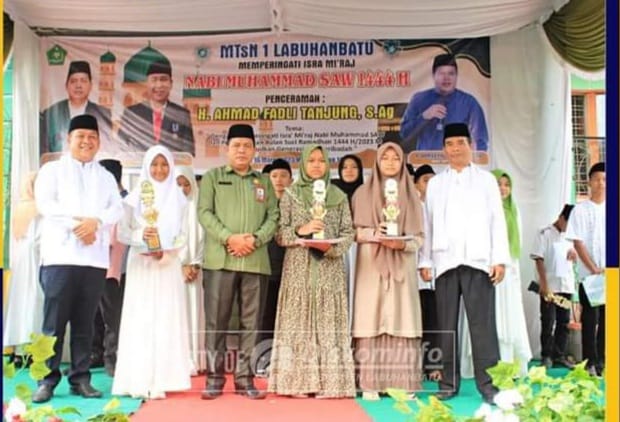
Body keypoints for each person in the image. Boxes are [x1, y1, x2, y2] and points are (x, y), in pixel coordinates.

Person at [32, 114, 123, 403]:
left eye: (92, 137)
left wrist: (96, 223)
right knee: (52, 324)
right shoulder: (52, 171)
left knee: (85, 324)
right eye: (80, 136)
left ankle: (81, 379)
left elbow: (116, 208)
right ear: (68, 139)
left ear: (99, 142)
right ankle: (45, 380)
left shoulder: (105, 177)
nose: (86, 141)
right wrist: (78, 226)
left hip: (93, 261)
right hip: (59, 257)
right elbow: (45, 204)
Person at [418, 123, 509, 404]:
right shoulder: (436, 184)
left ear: (471, 146)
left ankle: (489, 386)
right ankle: (447, 383)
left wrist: (499, 259)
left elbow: (497, 220)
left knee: (483, 327)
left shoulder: (486, 181)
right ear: (443, 149)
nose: (455, 148)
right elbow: (428, 223)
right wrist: (425, 259)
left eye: (460, 142)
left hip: (478, 261)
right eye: (449, 144)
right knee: (446, 327)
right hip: (445, 262)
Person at [198, 124, 279, 400]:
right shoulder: (213, 177)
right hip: (220, 261)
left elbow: (273, 216)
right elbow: (204, 213)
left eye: (247, 145)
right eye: (236, 145)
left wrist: (255, 239)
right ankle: (214, 379)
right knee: (216, 323)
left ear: (254, 150)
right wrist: (229, 238)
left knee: (251, 324)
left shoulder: (263, 181)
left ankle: (245, 379)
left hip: (255, 262)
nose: (241, 150)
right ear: (227, 149)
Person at [268, 144, 356, 398]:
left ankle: (331, 384)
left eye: (321, 161)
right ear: (304, 164)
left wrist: (332, 249)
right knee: (298, 321)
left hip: (329, 269)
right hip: (298, 268)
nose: (317, 165)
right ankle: (296, 383)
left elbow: (348, 233)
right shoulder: (291, 194)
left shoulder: (338, 196)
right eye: (311, 161)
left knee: (328, 322)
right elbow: (279, 233)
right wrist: (301, 231)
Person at [112, 146, 191, 399]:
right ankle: (138, 377)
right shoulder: (133, 199)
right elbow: (123, 232)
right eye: (154, 164)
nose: (159, 170)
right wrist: (141, 237)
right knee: (142, 316)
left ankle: (166, 378)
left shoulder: (180, 199)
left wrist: (166, 252)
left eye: (164, 164)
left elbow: (184, 234)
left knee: (166, 317)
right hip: (141, 264)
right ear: (146, 166)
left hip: (167, 265)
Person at [351, 141, 425, 400]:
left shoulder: (412, 196)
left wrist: (401, 244)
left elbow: (419, 238)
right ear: (377, 162)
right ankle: (370, 383)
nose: (391, 163)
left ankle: (402, 383)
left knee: (402, 317)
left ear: (402, 163)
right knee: (370, 317)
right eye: (386, 158)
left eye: (396, 158)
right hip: (371, 266)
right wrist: (375, 233)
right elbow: (353, 233)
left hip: (401, 265)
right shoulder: (362, 193)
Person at [460, 169, 532, 378]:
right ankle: (483, 364)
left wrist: (509, 269)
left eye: (506, 185)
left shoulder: (514, 211)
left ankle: (507, 364)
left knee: (507, 316)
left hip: (507, 273)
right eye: (498, 184)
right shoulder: (479, 210)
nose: (503, 189)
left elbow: (516, 248)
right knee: (485, 315)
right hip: (484, 271)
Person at [399, 54, 489, 153]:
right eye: (441, 73)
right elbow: (404, 133)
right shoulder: (419, 99)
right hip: (426, 160)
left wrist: (471, 153)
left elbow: (481, 141)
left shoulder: (469, 103)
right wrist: (424, 116)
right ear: (433, 75)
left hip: (457, 159)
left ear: (456, 76)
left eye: (451, 73)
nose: (446, 78)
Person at [90, 159, 129, 376]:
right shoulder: (99, 202)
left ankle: (111, 359)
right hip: (94, 265)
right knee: (93, 314)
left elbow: (120, 238)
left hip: (116, 268)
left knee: (112, 315)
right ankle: (94, 354)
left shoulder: (126, 203)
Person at [566, 162, 606, 377]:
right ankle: (590, 361)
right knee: (590, 319)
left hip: (611, 274)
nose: (601, 183)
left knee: (609, 319)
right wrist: (593, 268)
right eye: (597, 179)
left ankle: (604, 361)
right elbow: (578, 242)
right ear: (589, 182)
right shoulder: (580, 210)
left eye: (605, 179)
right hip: (589, 276)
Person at [256, 158, 293, 376]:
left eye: (283, 176)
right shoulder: (260, 205)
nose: (279, 180)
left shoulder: (297, 205)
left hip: (292, 271)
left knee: (289, 319)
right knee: (265, 317)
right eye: (274, 176)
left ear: (291, 179)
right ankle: (264, 361)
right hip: (266, 270)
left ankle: (288, 363)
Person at [3, 173, 44, 367]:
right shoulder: (38, 208)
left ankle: (18, 350)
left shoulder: (20, 207)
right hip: (34, 259)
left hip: (20, 260)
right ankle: (32, 349)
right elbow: (39, 238)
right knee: (34, 302)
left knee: (19, 303)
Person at [530, 204, 577, 370]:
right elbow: (538, 259)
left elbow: (575, 257)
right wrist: (544, 285)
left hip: (566, 286)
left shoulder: (571, 237)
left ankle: (559, 355)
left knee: (564, 322)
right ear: (562, 218)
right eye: (569, 223)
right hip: (550, 286)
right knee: (548, 321)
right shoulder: (544, 233)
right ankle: (546, 356)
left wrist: (574, 255)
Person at [117, 59, 195, 155]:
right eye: (154, 80)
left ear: (171, 84)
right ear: (147, 83)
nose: (159, 85)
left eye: (163, 79)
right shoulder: (132, 113)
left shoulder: (182, 115)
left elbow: (189, 153)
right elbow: (121, 147)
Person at [40, 61, 112, 155]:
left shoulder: (103, 113)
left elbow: (106, 148)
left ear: (90, 85)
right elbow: (44, 150)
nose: (78, 86)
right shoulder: (51, 113)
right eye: (73, 81)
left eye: (83, 81)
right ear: (66, 86)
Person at [176, 165, 207, 375]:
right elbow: (169, 239)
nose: (182, 189)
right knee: (177, 315)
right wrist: (181, 264)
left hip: (197, 271)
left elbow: (205, 238)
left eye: (186, 184)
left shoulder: (200, 209)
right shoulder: (168, 209)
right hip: (174, 271)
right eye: (178, 185)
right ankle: (179, 361)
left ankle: (197, 360)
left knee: (196, 313)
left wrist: (195, 263)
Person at [413, 164, 441, 380]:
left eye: (433, 180)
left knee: (436, 320)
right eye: (425, 180)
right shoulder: (413, 208)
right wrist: (423, 263)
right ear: (416, 185)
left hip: (439, 271)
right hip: (417, 273)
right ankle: (416, 367)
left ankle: (434, 366)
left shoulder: (441, 206)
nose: (430, 184)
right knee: (417, 321)